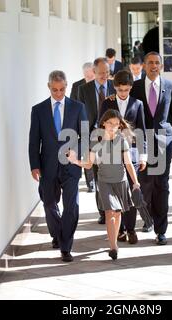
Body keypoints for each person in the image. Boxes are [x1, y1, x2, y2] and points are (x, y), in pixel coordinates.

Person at [28, 70, 88, 263]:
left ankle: (65, 246)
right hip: (48, 166)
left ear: (67, 86)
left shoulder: (78, 108)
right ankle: (57, 233)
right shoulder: (38, 110)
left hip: (71, 166)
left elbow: (85, 137)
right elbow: (33, 140)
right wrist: (34, 165)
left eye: (62, 89)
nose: (59, 93)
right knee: (49, 203)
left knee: (72, 205)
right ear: (49, 87)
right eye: (55, 90)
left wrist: (77, 152)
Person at [68, 109, 141, 260]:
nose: (113, 127)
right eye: (110, 123)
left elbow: (128, 164)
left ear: (120, 125)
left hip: (120, 181)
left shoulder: (122, 141)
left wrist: (136, 182)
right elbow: (89, 165)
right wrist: (75, 160)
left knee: (117, 212)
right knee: (109, 213)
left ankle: (114, 242)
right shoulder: (96, 141)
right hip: (104, 182)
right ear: (103, 123)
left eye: (116, 124)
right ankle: (113, 246)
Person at [130, 52, 172, 245]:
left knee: (161, 184)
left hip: (163, 141)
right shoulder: (135, 87)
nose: (154, 66)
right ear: (144, 65)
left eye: (157, 63)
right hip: (142, 141)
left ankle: (161, 230)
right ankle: (148, 219)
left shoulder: (171, 86)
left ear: (161, 66)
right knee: (144, 184)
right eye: (150, 63)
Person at [98, 70, 147, 245]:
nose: (123, 93)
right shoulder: (107, 103)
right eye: (120, 90)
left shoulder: (138, 104)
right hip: (110, 154)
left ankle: (131, 228)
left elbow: (141, 131)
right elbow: (99, 125)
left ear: (131, 88)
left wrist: (143, 155)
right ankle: (119, 230)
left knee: (130, 192)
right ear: (115, 88)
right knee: (115, 192)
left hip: (131, 152)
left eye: (126, 90)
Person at [78, 58, 116, 224]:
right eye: (101, 73)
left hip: (112, 138)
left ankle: (113, 207)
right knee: (99, 177)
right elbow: (81, 118)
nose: (104, 76)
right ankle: (102, 211)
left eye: (107, 73)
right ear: (94, 72)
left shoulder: (114, 87)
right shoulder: (84, 90)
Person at [70, 62, 96, 192]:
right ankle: (90, 182)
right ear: (83, 74)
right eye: (87, 76)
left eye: (91, 76)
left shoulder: (97, 84)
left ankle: (96, 179)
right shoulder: (76, 86)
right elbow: (71, 105)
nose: (89, 78)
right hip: (82, 124)